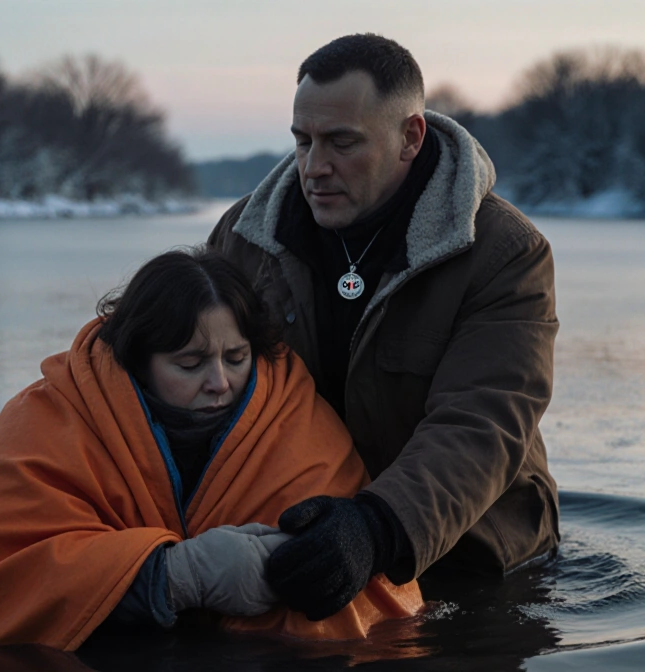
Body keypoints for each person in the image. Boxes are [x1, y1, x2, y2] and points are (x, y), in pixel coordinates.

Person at [0, 249, 422, 651]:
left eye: (236, 358)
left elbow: (378, 598)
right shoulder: (48, 417)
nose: (220, 382)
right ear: (137, 361)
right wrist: (173, 577)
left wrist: (320, 561)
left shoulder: (296, 418)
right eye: (189, 364)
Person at [208, 34, 560, 621]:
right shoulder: (242, 238)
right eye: (303, 141)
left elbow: (483, 420)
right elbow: (168, 369)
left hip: (475, 559)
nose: (314, 168)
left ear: (410, 138)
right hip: (298, 539)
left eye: (343, 143)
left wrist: (377, 526)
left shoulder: (506, 253)